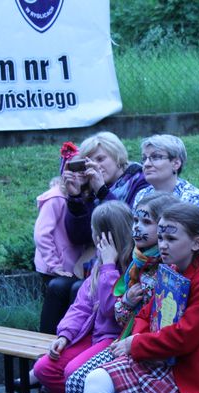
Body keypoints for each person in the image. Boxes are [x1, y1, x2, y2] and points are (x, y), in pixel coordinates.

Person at [81, 204, 199, 393]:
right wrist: (137, 339)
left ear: (197, 243)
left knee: (99, 386)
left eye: (171, 239)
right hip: (163, 358)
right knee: (95, 382)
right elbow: (145, 315)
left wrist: (135, 344)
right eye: (160, 238)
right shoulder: (171, 271)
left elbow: (184, 337)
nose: (163, 245)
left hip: (195, 369)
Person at [65, 192, 178, 393]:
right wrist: (126, 301)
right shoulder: (139, 262)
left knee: (78, 381)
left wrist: (133, 341)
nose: (137, 227)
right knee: (74, 380)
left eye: (146, 222)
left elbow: (162, 322)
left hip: (148, 350)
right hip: (129, 341)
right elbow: (120, 314)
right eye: (135, 220)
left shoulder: (163, 266)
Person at [40, 132, 147, 335]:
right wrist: (75, 198)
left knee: (78, 289)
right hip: (95, 265)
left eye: (101, 159)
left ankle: (80, 343)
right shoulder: (90, 186)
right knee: (56, 286)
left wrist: (102, 191)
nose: (96, 165)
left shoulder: (138, 182)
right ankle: (48, 345)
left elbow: (127, 227)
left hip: (125, 266)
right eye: (90, 161)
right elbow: (79, 236)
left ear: (117, 157)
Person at [33, 201, 134, 393]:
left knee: (73, 371)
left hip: (115, 338)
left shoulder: (130, 267)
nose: (92, 236)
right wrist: (65, 335)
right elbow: (81, 306)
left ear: (105, 236)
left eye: (94, 230)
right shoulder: (100, 264)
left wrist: (108, 266)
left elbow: (111, 308)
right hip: (94, 334)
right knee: (44, 369)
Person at [34, 175, 85, 289]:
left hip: (73, 267)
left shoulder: (85, 195)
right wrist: (54, 265)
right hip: (54, 269)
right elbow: (42, 234)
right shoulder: (56, 198)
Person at [132, 134, 199, 209]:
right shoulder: (142, 195)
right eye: (144, 158)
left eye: (156, 157)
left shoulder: (192, 199)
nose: (146, 164)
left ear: (176, 164)